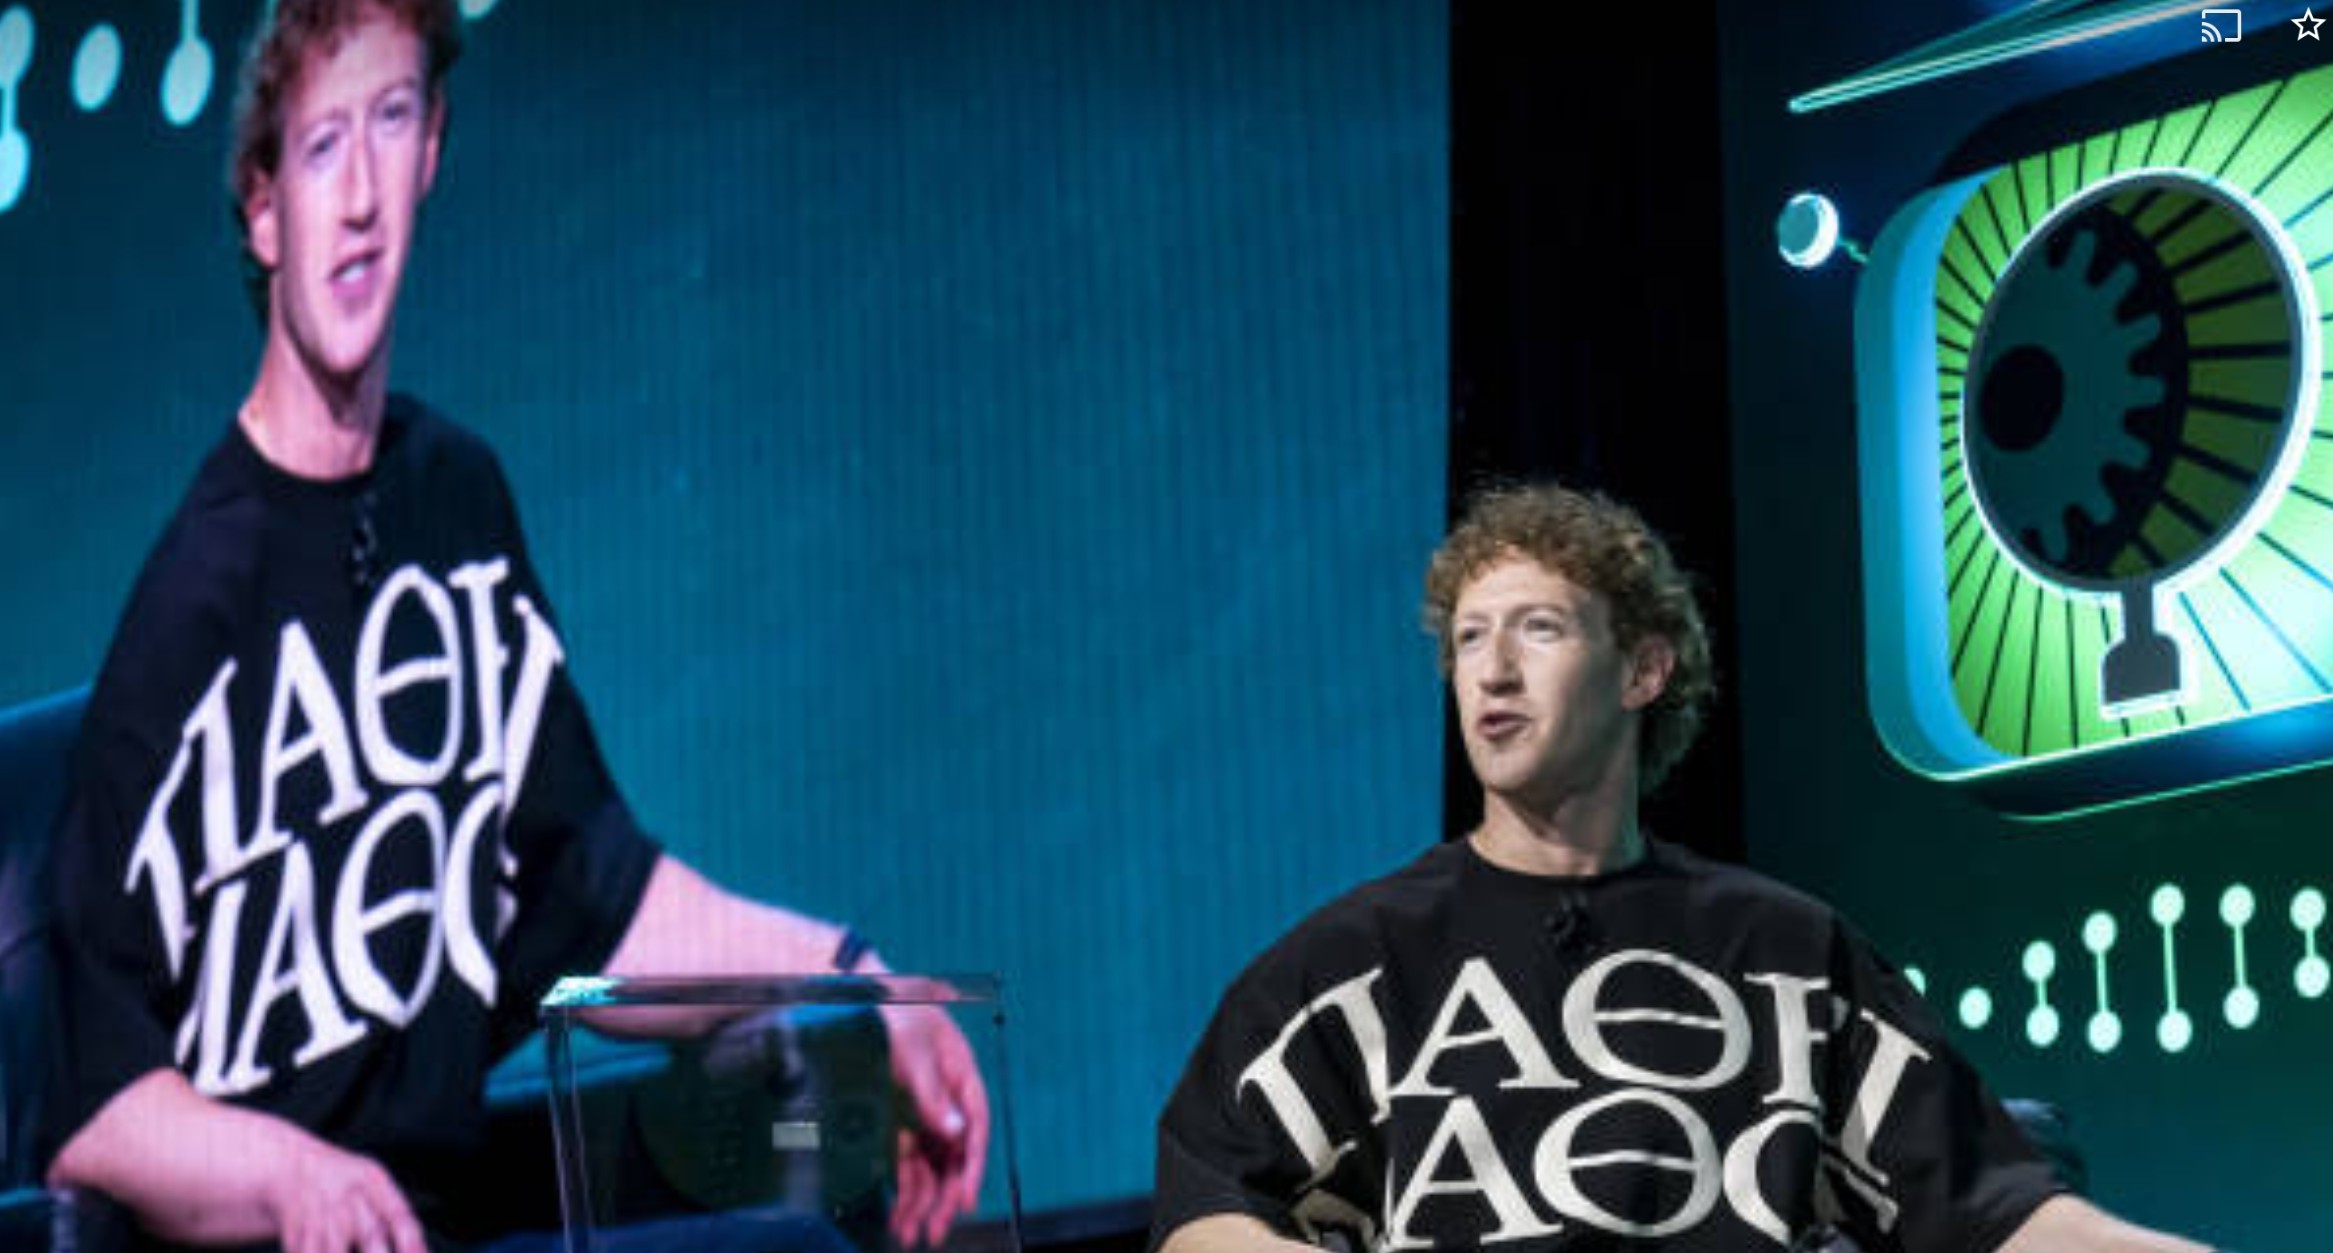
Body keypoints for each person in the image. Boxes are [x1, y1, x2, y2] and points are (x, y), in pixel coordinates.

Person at [39, 3, 985, 1250]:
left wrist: (857, 974)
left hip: (449, 1224)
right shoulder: (191, 605)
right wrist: (288, 1173)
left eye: (390, 122)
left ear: (433, 148)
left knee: (794, 1229)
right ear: (264, 210)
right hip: (283, 1237)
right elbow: (92, 1108)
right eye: (321, 146)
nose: (360, 196)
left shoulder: (457, 503)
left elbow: (596, 897)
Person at [1149, 483, 2219, 1251]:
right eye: (1468, 638)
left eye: (1536, 628)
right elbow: (1206, 1212)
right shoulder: (1354, 960)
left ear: (1643, 669)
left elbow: (1995, 1208)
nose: (1493, 670)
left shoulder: (1785, 950)